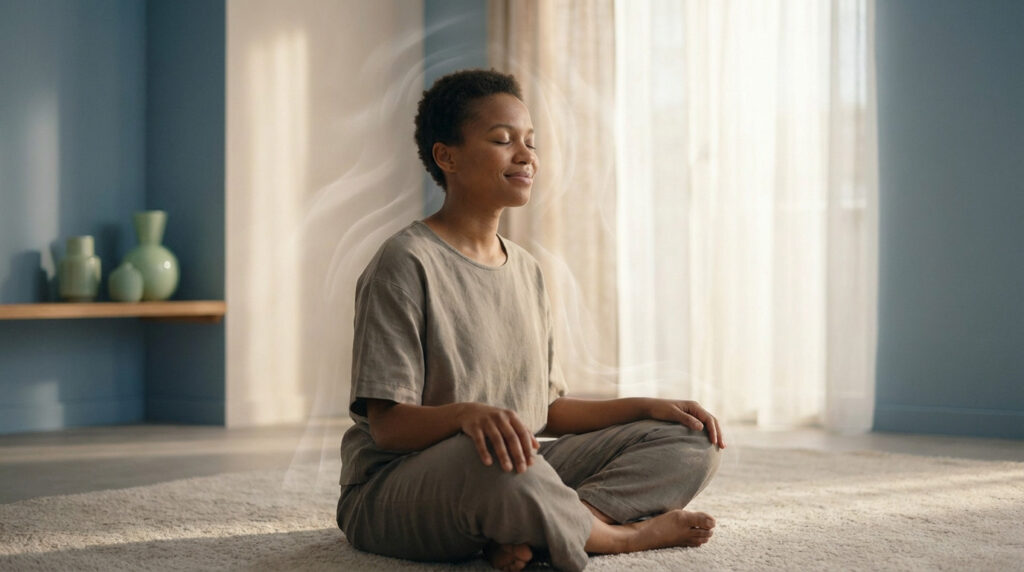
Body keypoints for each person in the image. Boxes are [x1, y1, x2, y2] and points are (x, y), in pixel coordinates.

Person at [336, 69, 724, 572]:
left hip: (511, 468)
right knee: (490, 460)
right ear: (446, 157)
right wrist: (464, 415)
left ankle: (538, 530)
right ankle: (618, 538)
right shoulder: (405, 262)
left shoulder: (526, 270)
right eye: (502, 140)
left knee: (691, 439)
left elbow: (544, 410)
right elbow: (387, 429)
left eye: (530, 142)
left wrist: (648, 406)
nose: (526, 155)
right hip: (396, 488)